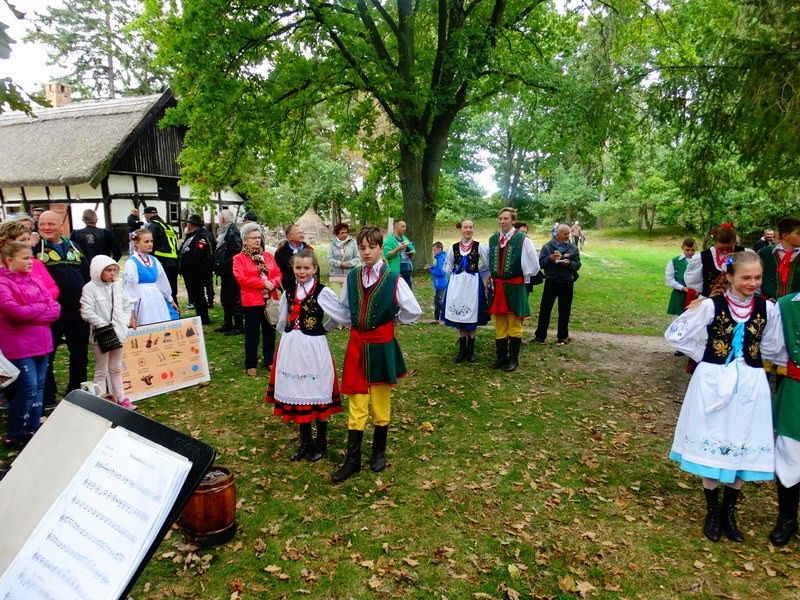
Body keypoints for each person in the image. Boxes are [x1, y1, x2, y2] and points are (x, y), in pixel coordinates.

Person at [665, 251, 782, 543]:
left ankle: (729, 513)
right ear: (729, 277)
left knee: (743, 439)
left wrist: (751, 362)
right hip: (713, 381)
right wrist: (706, 356)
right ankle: (712, 511)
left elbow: (773, 345)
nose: (753, 283)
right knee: (714, 436)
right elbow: (676, 334)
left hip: (751, 384)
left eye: (757, 277)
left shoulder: (768, 309)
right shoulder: (709, 305)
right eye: (746, 277)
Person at [331, 226, 421, 483]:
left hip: (381, 346)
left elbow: (413, 310)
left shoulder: (393, 279)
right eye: (362, 248)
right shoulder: (353, 277)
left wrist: (393, 320)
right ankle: (353, 459)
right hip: (358, 345)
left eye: (372, 247)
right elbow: (345, 308)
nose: (367, 252)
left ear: (381, 248)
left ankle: (378, 452)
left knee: (380, 401)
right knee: (357, 401)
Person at [265, 249, 342, 461]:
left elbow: (340, 315)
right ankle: (305, 442)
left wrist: (324, 328)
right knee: (298, 390)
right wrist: (286, 333)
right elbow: (283, 317)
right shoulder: (289, 290)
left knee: (316, 388)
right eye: (298, 267)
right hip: (293, 346)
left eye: (306, 268)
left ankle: (321, 443)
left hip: (313, 346)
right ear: (293, 268)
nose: (302, 271)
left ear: (314, 269)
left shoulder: (322, 292)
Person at [0, 240, 61, 449]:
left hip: (42, 342)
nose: (30, 262)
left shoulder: (35, 280)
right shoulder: (3, 283)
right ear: (10, 260)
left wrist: (32, 312)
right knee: (28, 388)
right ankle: (14, 433)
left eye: (31, 257)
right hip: (19, 345)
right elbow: (14, 312)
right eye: (25, 258)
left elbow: (55, 308)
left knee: (39, 387)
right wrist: (40, 309)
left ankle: (32, 428)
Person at [37, 210, 90, 407]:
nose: (46, 228)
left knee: (79, 352)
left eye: (51, 224)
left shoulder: (74, 247)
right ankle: (48, 397)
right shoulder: (35, 248)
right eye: (42, 224)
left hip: (77, 310)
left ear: (61, 226)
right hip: (50, 312)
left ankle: (77, 392)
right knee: (47, 355)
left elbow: (86, 273)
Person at [80, 255, 136, 410]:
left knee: (116, 367)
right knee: (102, 369)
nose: (112, 274)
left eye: (114, 270)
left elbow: (126, 306)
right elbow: (86, 312)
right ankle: (100, 401)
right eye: (108, 270)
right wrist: (103, 325)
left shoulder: (116, 287)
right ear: (98, 271)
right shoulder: (89, 288)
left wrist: (123, 322)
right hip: (101, 334)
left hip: (118, 333)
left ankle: (121, 398)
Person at [487, 207, 539, 372]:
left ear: (513, 221)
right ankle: (501, 357)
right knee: (499, 322)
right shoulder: (493, 239)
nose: (502, 221)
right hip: (498, 286)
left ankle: (513, 359)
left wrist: (523, 278)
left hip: (515, 286)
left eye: (506, 219)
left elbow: (534, 265)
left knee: (514, 322)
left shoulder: (522, 240)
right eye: (500, 218)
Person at [770, 290, 800, 546]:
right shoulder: (786, 306)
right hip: (796, 390)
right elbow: (773, 350)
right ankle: (787, 519)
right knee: (791, 452)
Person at [233, 223, 282, 377]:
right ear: (245, 240)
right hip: (252, 301)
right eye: (253, 238)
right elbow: (241, 278)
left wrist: (272, 283)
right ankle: (251, 363)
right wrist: (263, 284)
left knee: (269, 331)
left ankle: (269, 360)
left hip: (270, 300)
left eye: (259, 237)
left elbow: (278, 273)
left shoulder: (268, 256)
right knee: (252, 333)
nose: (257, 240)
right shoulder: (239, 259)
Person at [443, 219, 490, 363]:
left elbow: (488, 264)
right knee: (460, 316)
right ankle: (462, 350)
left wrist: (478, 273)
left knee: (472, 315)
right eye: (465, 227)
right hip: (457, 285)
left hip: (473, 285)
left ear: (473, 229)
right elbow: (447, 265)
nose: (468, 230)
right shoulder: (454, 247)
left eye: (470, 227)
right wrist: (455, 276)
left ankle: (471, 351)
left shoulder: (479, 246)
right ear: (461, 229)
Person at [533, 224, 581, 346]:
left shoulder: (573, 248)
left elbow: (577, 265)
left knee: (565, 310)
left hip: (567, 282)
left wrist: (568, 264)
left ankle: (562, 337)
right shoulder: (547, 246)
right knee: (545, 310)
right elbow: (540, 264)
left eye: (568, 233)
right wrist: (550, 258)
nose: (568, 236)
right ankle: (540, 336)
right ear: (558, 234)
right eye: (565, 234)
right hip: (551, 281)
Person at [123, 229, 179, 326]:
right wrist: (132, 313)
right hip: (142, 299)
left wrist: (170, 299)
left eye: (151, 241)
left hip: (156, 297)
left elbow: (162, 281)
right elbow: (129, 288)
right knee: (146, 322)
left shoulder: (154, 260)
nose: (150, 244)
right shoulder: (131, 262)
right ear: (136, 243)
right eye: (146, 242)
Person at [0, 220, 58, 300]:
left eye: (28, 239)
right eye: (22, 240)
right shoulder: (2, 269)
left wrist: (40, 302)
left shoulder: (36, 263)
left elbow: (53, 288)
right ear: (8, 242)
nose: (28, 243)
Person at [685, 223, 745, 298]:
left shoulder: (744, 253)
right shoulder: (703, 256)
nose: (725, 252)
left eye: (729, 248)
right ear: (715, 243)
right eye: (720, 249)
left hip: (737, 299)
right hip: (709, 299)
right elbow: (692, 280)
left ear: (734, 242)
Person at [179, 215, 214, 325]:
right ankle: (200, 315)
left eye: (188, 224)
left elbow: (198, 255)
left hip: (196, 272)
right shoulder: (191, 236)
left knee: (199, 295)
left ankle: (203, 317)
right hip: (190, 272)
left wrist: (192, 268)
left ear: (191, 225)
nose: (187, 226)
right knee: (196, 295)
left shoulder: (200, 237)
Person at [214, 209, 244, 335]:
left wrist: (226, 264)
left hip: (231, 272)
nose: (218, 221)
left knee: (233, 298)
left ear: (223, 219)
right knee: (226, 298)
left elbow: (236, 251)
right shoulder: (226, 230)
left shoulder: (233, 231)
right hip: (226, 271)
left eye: (219, 218)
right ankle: (228, 324)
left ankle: (238, 326)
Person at [142, 206, 179, 304]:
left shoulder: (151, 226)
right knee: (172, 289)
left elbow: (149, 245)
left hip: (160, 261)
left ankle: (165, 310)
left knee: (161, 289)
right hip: (174, 262)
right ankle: (175, 309)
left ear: (146, 215)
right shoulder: (167, 226)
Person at [758, 217, 800, 300]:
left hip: (796, 304)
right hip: (768, 302)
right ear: (785, 236)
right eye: (798, 234)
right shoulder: (764, 253)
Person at [274, 224, 311, 293]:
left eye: (302, 232)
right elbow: (277, 272)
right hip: (289, 290)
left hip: (308, 289)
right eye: (299, 233)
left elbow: (315, 270)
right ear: (289, 236)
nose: (302, 235)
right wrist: (284, 289)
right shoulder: (280, 252)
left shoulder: (308, 250)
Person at [383, 220, 415, 288]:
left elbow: (413, 249)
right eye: (403, 227)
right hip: (396, 271)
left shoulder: (405, 239)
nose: (405, 229)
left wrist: (412, 253)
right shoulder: (389, 240)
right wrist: (398, 249)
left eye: (405, 227)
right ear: (396, 227)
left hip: (407, 270)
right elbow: (386, 255)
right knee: (396, 290)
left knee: (408, 290)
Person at [327, 222, 360, 288]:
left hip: (350, 275)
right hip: (336, 276)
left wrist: (349, 264)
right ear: (337, 234)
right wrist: (340, 264)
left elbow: (357, 257)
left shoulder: (353, 243)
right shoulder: (332, 244)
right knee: (337, 294)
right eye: (342, 233)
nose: (345, 234)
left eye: (346, 232)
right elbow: (330, 259)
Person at [428, 242, 448, 323]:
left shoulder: (440, 259)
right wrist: (431, 267)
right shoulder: (438, 258)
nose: (434, 252)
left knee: (438, 301)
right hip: (439, 284)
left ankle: (440, 317)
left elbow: (441, 272)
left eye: (435, 250)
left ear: (439, 249)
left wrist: (430, 270)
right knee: (437, 301)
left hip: (441, 283)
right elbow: (437, 268)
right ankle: (438, 318)